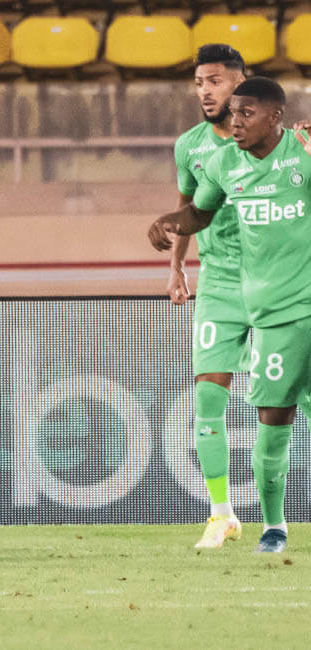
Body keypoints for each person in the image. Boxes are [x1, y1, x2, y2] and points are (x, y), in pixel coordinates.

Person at [149, 77, 311, 553]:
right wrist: (169, 223)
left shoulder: (303, 152)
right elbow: (200, 213)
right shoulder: (220, 162)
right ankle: (269, 526)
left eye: (246, 113)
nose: (235, 122)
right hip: (270, 312)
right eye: (234, 113)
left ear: (275, 117)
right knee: (271, 420)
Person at [166, 44, 248, 548]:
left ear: (240, 82)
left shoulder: (278, 142)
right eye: (199, 83)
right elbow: (186, 208)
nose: (205, 91)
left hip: (276, 280)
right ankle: (221, 515)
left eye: (215, 80)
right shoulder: (189, 146)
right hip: (218, 283)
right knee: (208, 399)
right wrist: (176, 266)